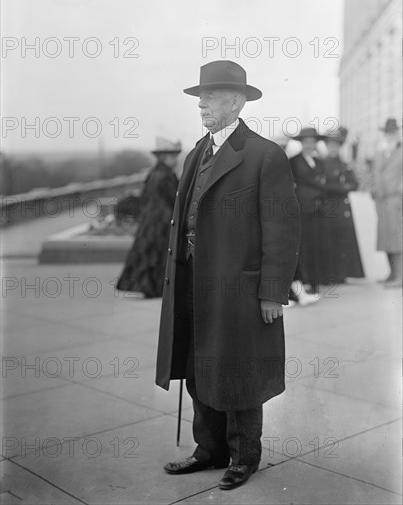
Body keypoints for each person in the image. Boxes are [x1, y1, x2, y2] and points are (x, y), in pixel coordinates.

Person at [155, 60, 300, 490]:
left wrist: (272, 292)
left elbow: (282, 229)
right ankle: (210, 449)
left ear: (235, 102)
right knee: (200, 366)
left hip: (240, 286)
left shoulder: (264, 155)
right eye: (200, 96)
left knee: (240, 370)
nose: (201, 103)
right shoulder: (195, 153)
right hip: (193, 281)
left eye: (210, 96)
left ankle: (244, 456)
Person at [116, 138, 181, 297]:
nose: (175, 160)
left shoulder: (154, 173)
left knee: (147, 254)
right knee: (157, 255)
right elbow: (174, 199)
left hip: (149, 219)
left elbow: (145, 197)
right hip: (162, 220)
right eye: (173, 157)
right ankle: (154, 288)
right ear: (164, 158)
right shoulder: (165, 175)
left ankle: (145, 287)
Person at [320, 127, 364, 284]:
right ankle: (329, 274)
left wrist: (341, 187)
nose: (333, 147)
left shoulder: (344, 164)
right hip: (328, 206)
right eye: (330, 145)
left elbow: (355, 184)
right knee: (328, 239)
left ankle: (342, 273)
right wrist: (341, 188)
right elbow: (322, 186)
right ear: (326, 146)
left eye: (336, 145)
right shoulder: (321, 163)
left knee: (343, 240)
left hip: (342, 208)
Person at [289, 127, 326, 294]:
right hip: (302, 209)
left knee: (315, 245)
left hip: (317, 210)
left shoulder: (319, 162)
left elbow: (322, 184)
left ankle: (314, 282)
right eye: (307, 142)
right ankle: (303, 282)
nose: (310, 145)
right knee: (303, 246)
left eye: (312, 142)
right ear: (302, 143)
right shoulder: (294, 161)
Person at [373, 118, 402, 288]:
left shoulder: (401, 150)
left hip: (396, 199)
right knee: (385, 238)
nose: (389, 135)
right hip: (381, 200)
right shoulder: (381, 151)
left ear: (397, 132)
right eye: (387, 132)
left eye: (392, 132)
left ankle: (400, 276)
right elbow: (375, 173)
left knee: (397, 238)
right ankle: (391, 274)